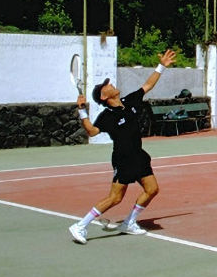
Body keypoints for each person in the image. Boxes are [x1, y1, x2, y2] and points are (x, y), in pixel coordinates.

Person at [68, 49, 176, 244]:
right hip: (123, 159)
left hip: (139, 155)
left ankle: (129, 223)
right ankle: (80, 226)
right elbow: (92, 132)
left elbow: (148, 85)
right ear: (103, 97)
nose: (110, 84)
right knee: (115, 198)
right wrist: (82, 110)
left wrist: (161, 66)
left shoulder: (129, 101)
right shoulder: (107, 116)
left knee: (152, 189)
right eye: (106, 85)